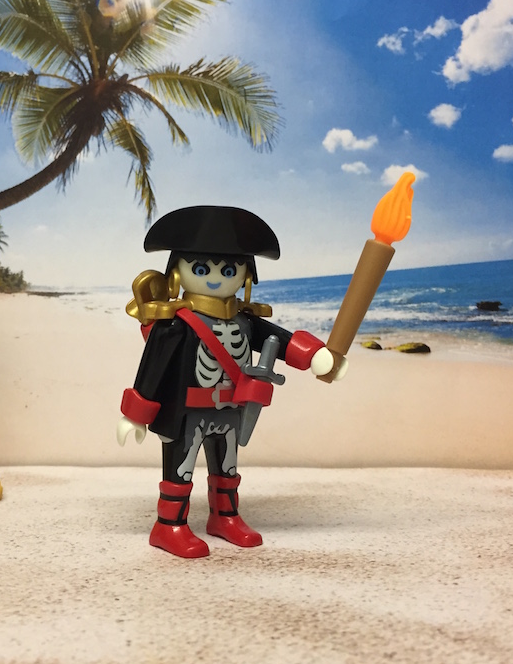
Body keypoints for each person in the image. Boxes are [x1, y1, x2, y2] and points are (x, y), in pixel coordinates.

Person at [118, 205, 347, 558]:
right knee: (179, 470)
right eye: (200, 269)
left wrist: (315, 356)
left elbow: (280, 340)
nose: (215, 278)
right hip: (186, 413)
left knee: (227, 469)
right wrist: (135, 415)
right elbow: (152, 367)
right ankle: (168, 526)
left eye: (228, 270)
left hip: (230, 410)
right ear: (176, 274)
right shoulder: (176, 324)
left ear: (246, 277)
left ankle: (225, 517)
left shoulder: (245, 322)